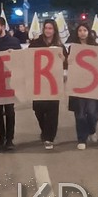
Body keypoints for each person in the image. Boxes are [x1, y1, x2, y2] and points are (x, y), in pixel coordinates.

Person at [28, 19, 65, 150]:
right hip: (38, 82)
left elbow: (66, 63)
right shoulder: (36, 43)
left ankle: (50, 137)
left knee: (53, 111)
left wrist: (63, 58)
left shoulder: (59, 45)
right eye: (46, 28)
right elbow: (27, 57)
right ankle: (44, 131)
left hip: (53, 82)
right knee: (38, 110)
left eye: (50, 28)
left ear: (54, 30)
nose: (48, 30)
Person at [0, 16, 21, 150]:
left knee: (10, 111)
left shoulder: (14, 42)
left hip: (9, 82)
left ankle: (10, 139)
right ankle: (2, 137)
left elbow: (20, 62)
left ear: (3, 26)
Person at [67, 22, 98, 149]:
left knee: (92, 112)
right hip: (78, 84)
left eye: (85, 30)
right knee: (80, 113)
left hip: (93, 85)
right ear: (77, 33)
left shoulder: (96, 47)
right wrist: (68, 61)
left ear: (89, 32)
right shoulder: (72, 48)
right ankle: (81, 139)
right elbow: (68, 64)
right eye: (80, 30)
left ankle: (92, 130)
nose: (82, 33)